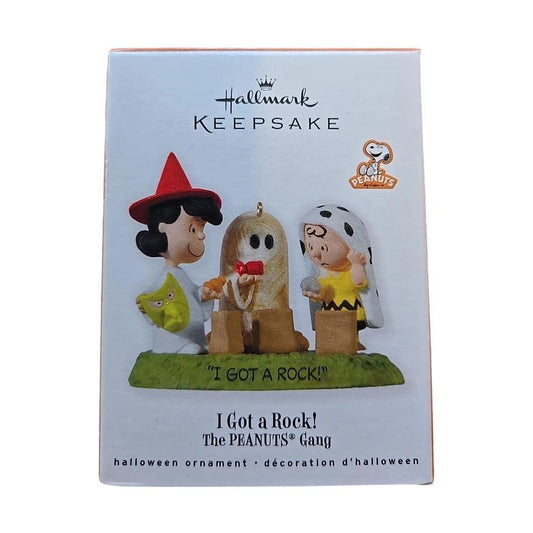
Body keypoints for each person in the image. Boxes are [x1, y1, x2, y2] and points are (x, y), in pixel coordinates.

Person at [129, 152, 223, 354]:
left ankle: (196, 345)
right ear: (162, 228)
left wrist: (203, 294)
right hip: (173, 339)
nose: (201, 236)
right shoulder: (166, 277)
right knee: (185, 343)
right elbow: (152, 296)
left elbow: (191, 294)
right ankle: (178, 348)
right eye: (193, 229)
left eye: (202, 229)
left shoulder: (179, 275)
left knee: (198, 345)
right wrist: (144, 302)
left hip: (194, 336)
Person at [299, 204, 383, 349]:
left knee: (350, 328)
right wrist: (314, 294)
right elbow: (322, 292)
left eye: (323, 248)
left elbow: (359, 282)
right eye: (311, 247)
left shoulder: (348, 274)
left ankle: (353, 341)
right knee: (331, 330)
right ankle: (332, 343)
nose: (316, 254)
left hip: (350, 309)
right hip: (329, 313)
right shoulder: (324, 278)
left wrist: (357, 265)